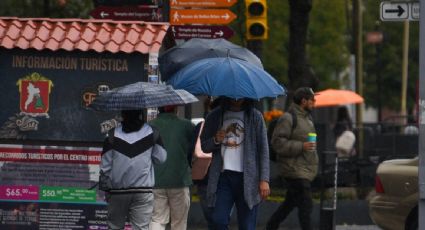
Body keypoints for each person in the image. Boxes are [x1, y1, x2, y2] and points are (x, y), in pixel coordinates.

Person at [200, 97, 270, 230]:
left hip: (249, 179)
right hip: (222, 177)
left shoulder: (255, 116)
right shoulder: (214, 116)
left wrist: (264, 179)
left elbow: (263, 150)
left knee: (247, 225)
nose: (237, 98)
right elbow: (204, 146)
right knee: (218, 220)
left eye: (241, 95)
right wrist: (215, 140)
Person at [99, 109, 167, 230]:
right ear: (140, 114)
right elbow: (161, 158)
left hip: (117, 192)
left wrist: (106, 189)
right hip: (143, 192)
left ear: (123, 115)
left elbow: (105, 167)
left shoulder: (112, 135)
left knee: (114, 227)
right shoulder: (152, 132)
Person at [265, 87, 318, 230]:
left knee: (289, 204)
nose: (315, 102)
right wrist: (302, 146)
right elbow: (278, 143)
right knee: (306, 205)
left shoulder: (308, 118)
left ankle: (271, 226)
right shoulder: (288, 118)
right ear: (304, 101)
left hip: (304, 169)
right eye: (312, 100)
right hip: (293, 170)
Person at [149, 105, 195, 230]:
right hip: (179, 180)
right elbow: (195, 148)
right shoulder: (187, 125)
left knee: (157, 219)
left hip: (156, 180)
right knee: (179, 222)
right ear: (176, 109)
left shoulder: (149, 126)